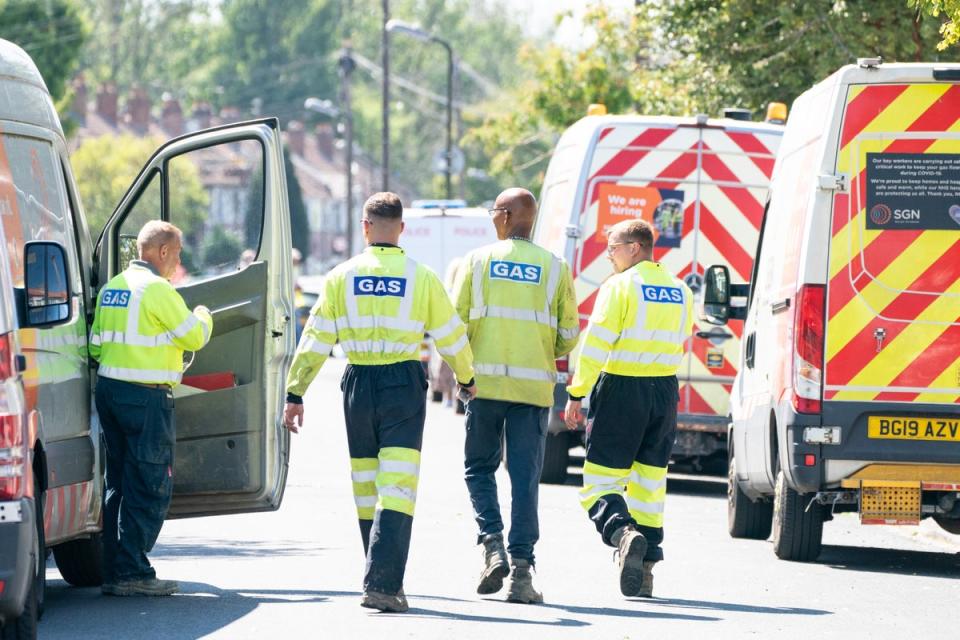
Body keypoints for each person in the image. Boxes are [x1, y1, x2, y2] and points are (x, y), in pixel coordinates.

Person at [282, 192, 476, 613]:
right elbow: (452, 335)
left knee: (366, 484)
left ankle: (377, 575)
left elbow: (315, 340)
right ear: (402, 228)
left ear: (365, 227)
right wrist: (467, 378)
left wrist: (295, 392)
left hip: (358, 382)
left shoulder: (340, 276)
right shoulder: (421, 277)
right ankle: (384, 582)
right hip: (402, 382)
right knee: (398, 485)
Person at [451, 188, 579, 604]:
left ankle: (492, 545)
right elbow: (568, 336)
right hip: (533, 391)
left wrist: (464, 373)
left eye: (493, 212)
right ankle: (522, 573)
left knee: (479, 469)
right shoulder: (556, 268)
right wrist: (540, 351)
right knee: (525, 479)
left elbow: (457, 329)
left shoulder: (477, 261)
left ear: (505, 217)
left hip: (484, 387)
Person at [563, 218, 693, 598]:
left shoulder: (619, 286)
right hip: (665, 393)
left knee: (598, 483)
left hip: (622, 388)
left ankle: (623, 533)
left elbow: (596, 345)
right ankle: (647, 569)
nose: (608, 255)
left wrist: (577, 393)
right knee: (650, 486)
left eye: (613, 247)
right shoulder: (680, 288)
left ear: (634, 248)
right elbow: (684, 335)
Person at [89, 220, 213, 597]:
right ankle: (133, 572)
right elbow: (194, 335)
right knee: (149, 483)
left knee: (119, 485)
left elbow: (96, 347)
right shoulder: (158, 290)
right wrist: (205, 313)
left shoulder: (113, 288)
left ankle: (114, 569)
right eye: (175, 255)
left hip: (111, 392)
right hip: (146, 398)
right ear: (161, 252)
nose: (176, 263)